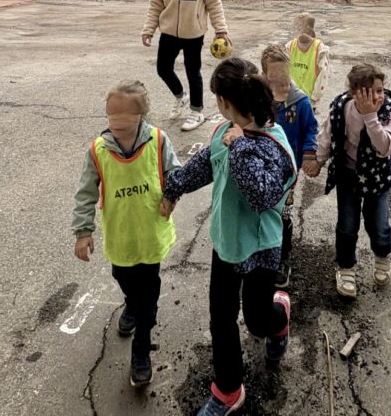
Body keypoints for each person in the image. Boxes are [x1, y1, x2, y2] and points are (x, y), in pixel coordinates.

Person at [161, 57, 296, 416]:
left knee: (255, 320)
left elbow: (262, 195)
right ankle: (228, 388)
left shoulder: (271, 143)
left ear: (223, 101)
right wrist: (172, 187)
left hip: (260, 248)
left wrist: (241, 147)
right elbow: (205, 164)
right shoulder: (224, 132)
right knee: (221, 318)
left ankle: (278, 316)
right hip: (226, 243)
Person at [72, 80, 180, 388]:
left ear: (142, 116)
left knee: (149, 294)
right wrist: (83, 231)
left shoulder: (158, 141)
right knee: (123, 277)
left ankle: (141, 349)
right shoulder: (98, 150)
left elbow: (175, 173)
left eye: (124, 120)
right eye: (110, 118)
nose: (115, 126)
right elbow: (85, 193)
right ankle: (131, 304)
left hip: (151, 236)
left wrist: (171, 195)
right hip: (121, 238)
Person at [305, 63, 391, 300]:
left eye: (380, 90)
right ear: (354, 93)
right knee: (347, 225)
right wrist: (318, 160)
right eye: (371, 92)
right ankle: (345, 267)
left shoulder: (388, 111)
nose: (378, 96)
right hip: (348, 175)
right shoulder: (341, 107)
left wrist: (371, 117)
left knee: (378, 225)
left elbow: (386, 147)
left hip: (377, 178)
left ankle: (382, 256)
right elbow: (327, 136)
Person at [142, 0, 231, 132]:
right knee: (163, 69)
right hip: (169, 32)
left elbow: (214, 3)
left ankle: (197, 111)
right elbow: (156, 4)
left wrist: (221, 30)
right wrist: (149, 29)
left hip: (194, 33)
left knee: (193, 72)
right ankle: (181, 97)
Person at [260, 45, 318, 288]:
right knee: (261, 211)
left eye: (284, 75)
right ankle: (259, 252)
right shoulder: (259, 100)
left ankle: (283, 258)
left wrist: (309, 153)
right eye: (274, 77)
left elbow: (311, 128)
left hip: (288, 173)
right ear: (264, 75)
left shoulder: (300, 101)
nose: (280, 82)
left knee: (283, 214)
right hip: (261, 168)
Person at [285, 12, 330, 111]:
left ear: (310, 31)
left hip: (309, 101)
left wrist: (315, 97)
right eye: (297, 28)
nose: (298, 31)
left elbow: (323, 75)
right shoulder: (290, 46)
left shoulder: (319, 49)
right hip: (291, 98)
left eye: (301, 28)